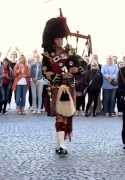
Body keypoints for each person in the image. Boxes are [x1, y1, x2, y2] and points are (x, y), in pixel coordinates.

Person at [41, 14, 79, 155]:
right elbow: (45, 72)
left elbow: (81, 67)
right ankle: (62, 145)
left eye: (62, 38)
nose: (60, 41)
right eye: (58, 38)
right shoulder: (47, 55)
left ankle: (60, 143)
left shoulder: (70, 52)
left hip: (70, 88)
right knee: (60, 116)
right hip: (57, 88)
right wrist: (59, 77)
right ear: (53, 39)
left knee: (67, 116)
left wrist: (75, 70)